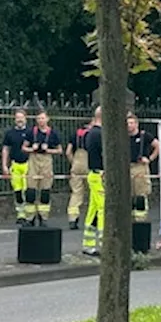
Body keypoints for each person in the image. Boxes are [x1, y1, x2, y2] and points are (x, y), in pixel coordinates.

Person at [25, 111, 62, 226]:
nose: (40, 120)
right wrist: (32, 149)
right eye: (38, 118)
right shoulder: (32, 132)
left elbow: (60, 150)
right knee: (31, 191)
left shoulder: (53, 133)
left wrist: (48, 150)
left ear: (47, 119)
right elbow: (24, 147)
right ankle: (30, 218)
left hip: (46, 160)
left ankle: (43, 217)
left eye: (42, 118)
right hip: (33, 160)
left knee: (45, 191)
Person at [127, 113, 159, 223]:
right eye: (127, 123)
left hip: (140, 167)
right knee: (129, 193)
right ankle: (130, 218)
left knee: (141, 193)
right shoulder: (123, 137)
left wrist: (150, 158)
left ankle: (141, 219)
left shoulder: (144, 136)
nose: (129, 126)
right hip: (127, 167)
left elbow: (157, 145)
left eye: (131, 123)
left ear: (136, 124)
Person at [1, 108, 32, 224]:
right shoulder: (10, 133)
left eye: (21, 117)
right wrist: (4, 165)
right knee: (18, 191)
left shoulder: (30, 132)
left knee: (28, 191)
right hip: (15, 164)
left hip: (28, 164)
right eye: (17, 118)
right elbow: (5, 149)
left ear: (25, 118)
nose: (19, 120)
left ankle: (30, 215)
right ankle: (21, 215)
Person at [82, 107, 105, 256]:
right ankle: (104, 243)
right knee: (103, 210)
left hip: (94, 174)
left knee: (94, 210)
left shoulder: (90, 134)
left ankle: (88, 243)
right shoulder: (101, 134)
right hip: (101, 175)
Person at [66, 118, 92, 230]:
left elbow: (68, 152)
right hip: (89, 164)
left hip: (76, 165)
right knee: (94, 193)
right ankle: (93, 218)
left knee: (76, 193)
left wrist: (74, 163)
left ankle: (72, 218)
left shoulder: (75, 134)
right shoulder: (94, 134)